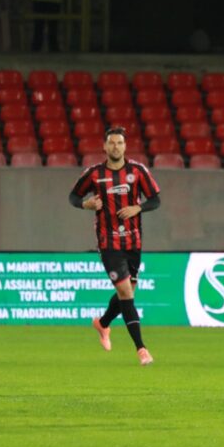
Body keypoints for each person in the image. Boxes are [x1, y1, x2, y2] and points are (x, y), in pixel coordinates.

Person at [69, 127, 161, 365]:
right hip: (109, 243)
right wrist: (86, 204)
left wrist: (138, 207)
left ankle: (103, 323)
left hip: (133, 242)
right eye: (111, 143)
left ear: (125, 146)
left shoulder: (138, 171)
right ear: (105, 146)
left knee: (127, 293)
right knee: (126, 294)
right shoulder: (94, 174)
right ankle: (141, 349)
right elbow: (73, 197)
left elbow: (156, 200)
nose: (116, 147)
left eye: (120, 143)